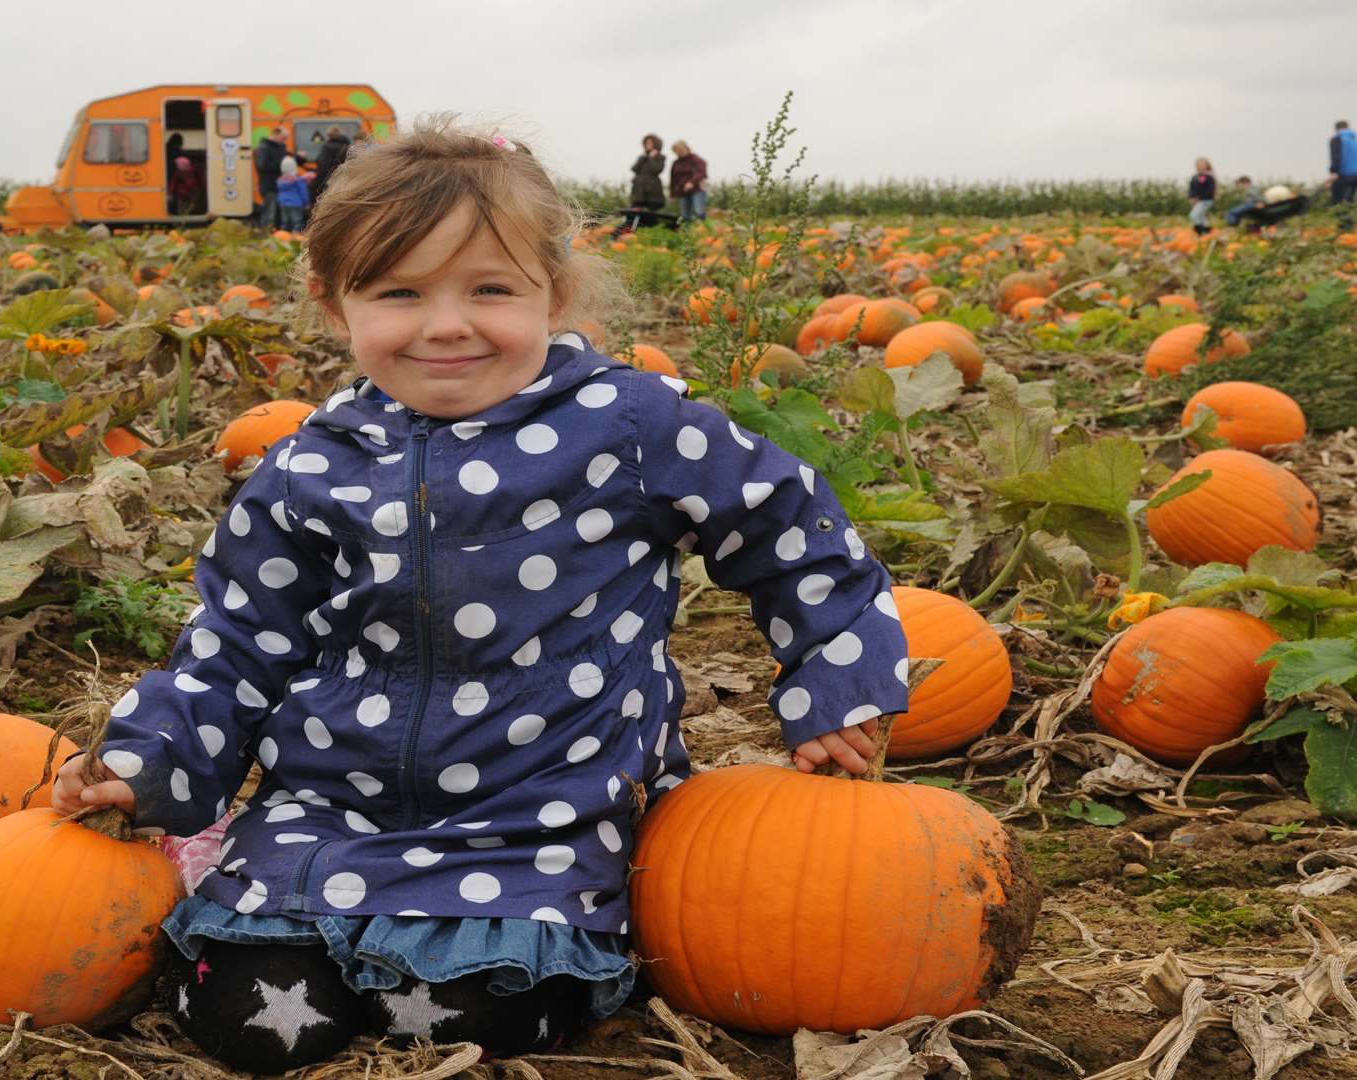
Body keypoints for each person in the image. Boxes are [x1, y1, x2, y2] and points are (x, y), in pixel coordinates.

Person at [52, 116, 908, 1074]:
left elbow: (792, 531)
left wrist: (837, 683)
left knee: (478, 1018)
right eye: (400, 293)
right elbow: (237, 640)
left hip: (545, 806)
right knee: (251, 1022)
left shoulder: (631, 426)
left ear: (558, 290)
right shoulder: (310, 465)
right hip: (335, 805)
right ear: (337, 308)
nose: (447, 325)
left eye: (490, 289)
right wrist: (154, 758)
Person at [254, 126, 289, 229]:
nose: (284, 141)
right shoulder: (264, 147)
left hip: (278, 185)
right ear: (275, 135)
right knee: (269, 212)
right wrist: (282, 165)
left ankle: (274, 233)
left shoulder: (278, 147)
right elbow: (262, 166)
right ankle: (266, 233)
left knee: (277, 213)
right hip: (269, 185)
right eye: (283, 138)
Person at [311, 125, 354, 206]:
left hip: (330, 180)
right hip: (345, 180)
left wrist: (318, 184)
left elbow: (322, 164)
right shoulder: (348, 145)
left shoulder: (327, 146)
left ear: (329, 135)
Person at [669, 140, 708, 223]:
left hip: (697, 190)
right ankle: (687, 233)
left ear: (686, 148)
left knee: (699, 212)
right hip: (683, 192)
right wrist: (672, 194)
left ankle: (704, 231)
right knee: (685, 215)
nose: (679, 152)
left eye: (680, 149)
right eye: (676, 150)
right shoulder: (676, 163)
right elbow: (673, 179)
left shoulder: (695, 159)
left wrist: (692, 182)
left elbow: (701, 172)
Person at [1329, 120, 1357, 225]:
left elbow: (1336, 157)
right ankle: (1350, 227)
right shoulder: (1354, 139)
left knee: (1338, 203)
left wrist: (1334, 172)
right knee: (1349, 201)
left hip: (1344, 175)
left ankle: (1345, 228)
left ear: (1336, 129)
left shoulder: (1337, 139)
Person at [274, 156, 310, 232]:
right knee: (297, 221)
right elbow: (303, 192)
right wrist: (306, 203)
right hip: (295, 203)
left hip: (283, 203)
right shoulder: (298, 181)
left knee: (285, 221)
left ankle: (283, 237)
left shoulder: (280, 181)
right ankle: (295, 237)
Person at [1187, 157, 1216, 235]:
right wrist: (1191, 197)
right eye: (1199, 165)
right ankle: (1207, 230)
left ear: (1207, 166)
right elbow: (1191, 188)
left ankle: (1199, 231)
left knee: (1194, 215)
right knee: (1201, 216)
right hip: (1196, 201)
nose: (1200, 167)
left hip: (1206, 200)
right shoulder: (1195, 177)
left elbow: (1210, 190)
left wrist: (1199, 198)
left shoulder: (1209, 177)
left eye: (1203, 165)